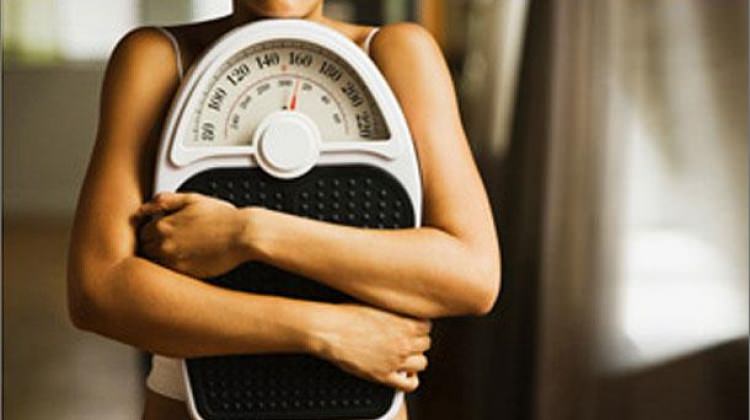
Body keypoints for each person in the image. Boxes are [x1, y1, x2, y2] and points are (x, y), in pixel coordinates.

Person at [67, 0, 501, 418]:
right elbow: (97, 290)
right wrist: (327, 331)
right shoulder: (157, 58)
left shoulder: (399, 54)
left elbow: (472, 274)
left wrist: (248, 233)